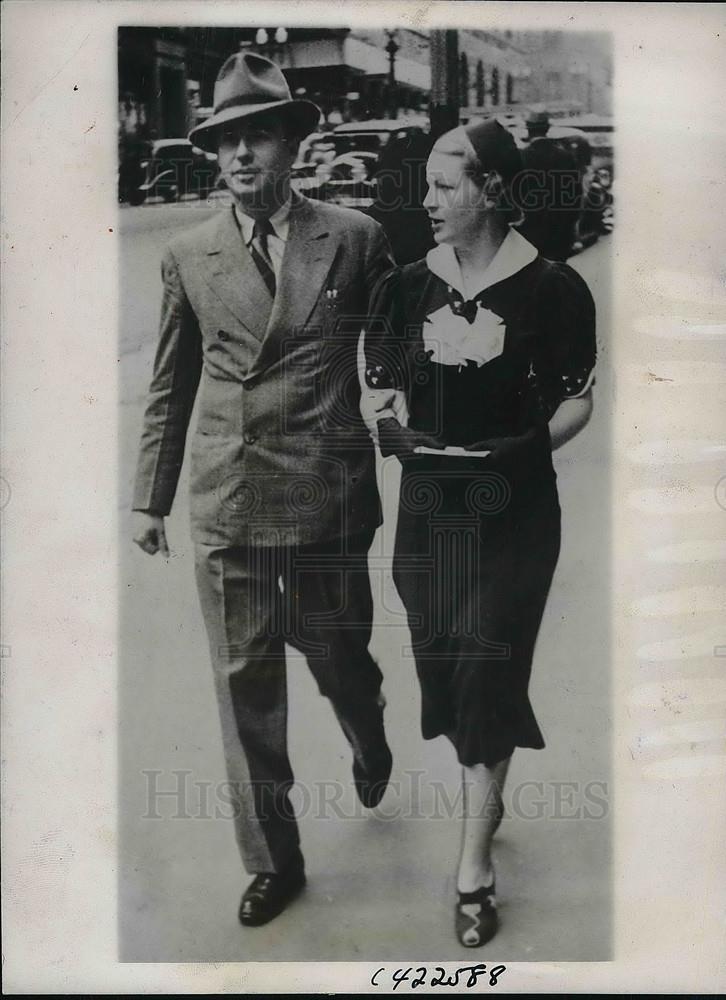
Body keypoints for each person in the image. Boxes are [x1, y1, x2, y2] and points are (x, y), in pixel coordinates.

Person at [132, 51, 394, 928]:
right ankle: (274, 859)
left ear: (292, 143)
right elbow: (169, 385)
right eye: (227, 141)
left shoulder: (353, 237)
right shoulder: (187, 252)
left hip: (322, 494)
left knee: (338, 659)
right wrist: (148, 499)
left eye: (259, 136)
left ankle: (368, 727)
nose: (241, 155)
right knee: (244, 682)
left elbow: (394, 355)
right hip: (229, 495)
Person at [361, 119, 596, 947]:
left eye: (444, 186)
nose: (424, 201)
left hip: (516, 517)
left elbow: (576, 397)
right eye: (425, 186)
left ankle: (472, 868)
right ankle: (484, 780)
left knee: (488, 673)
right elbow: (381, 389)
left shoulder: (554, 289)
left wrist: (524, 447)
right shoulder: (405, 286)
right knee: (448, 667)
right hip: (430, 520)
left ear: (492, 191)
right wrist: (392, 428)